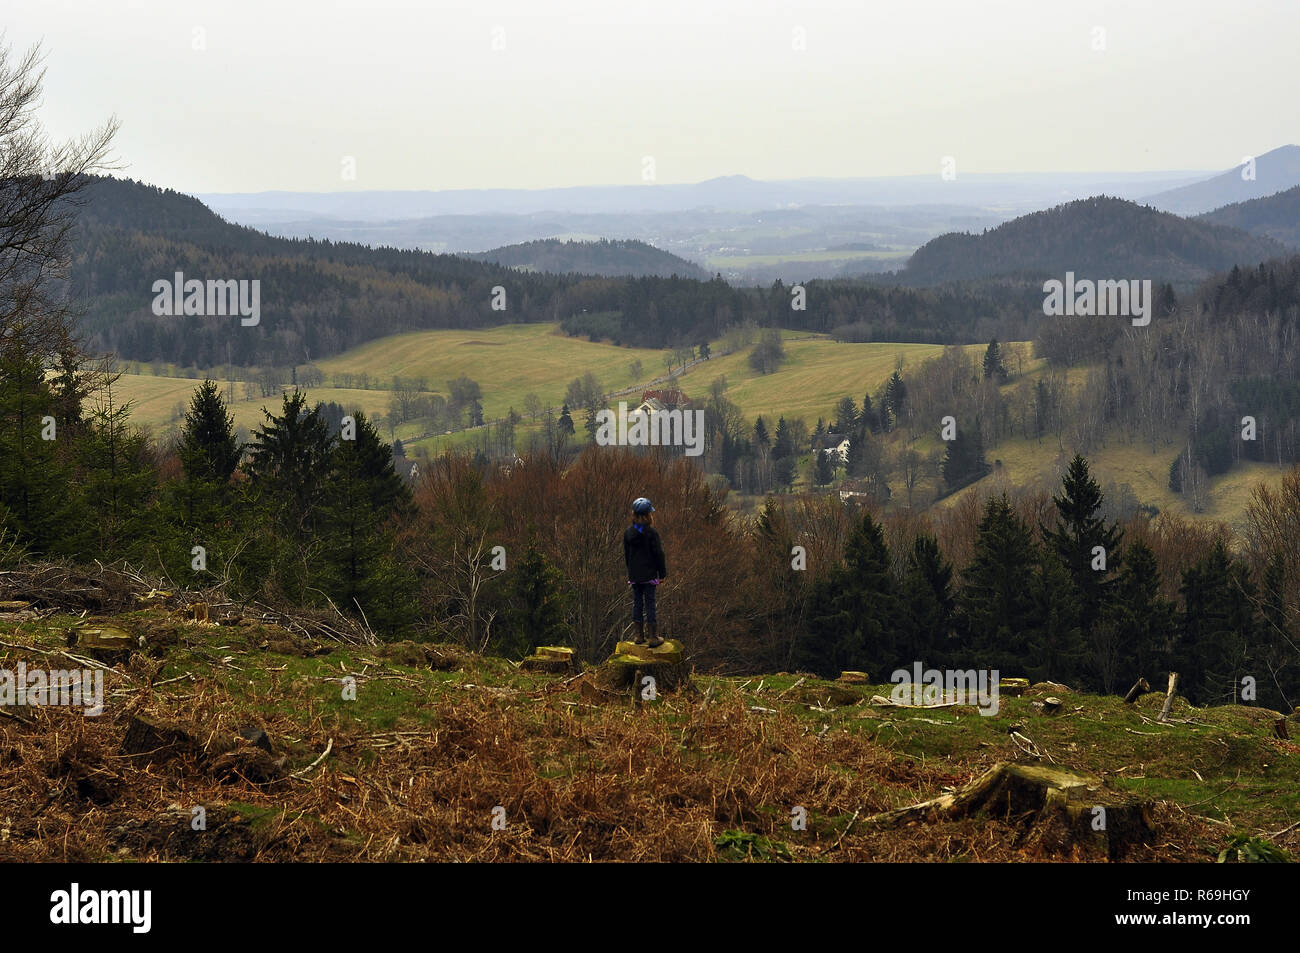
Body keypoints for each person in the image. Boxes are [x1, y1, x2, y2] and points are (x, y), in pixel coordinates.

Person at [623, 496, 667, 647]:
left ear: (634, 515)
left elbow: (627, 555)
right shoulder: (652, 533)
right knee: (650, 604)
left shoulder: (628, 532)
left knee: (637, 603)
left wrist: (631, 571)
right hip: (649, 575)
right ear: (649, 515)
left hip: (635, 575)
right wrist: (662, 574)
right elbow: (659, 554)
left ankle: (638, 636)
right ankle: (653, 637)